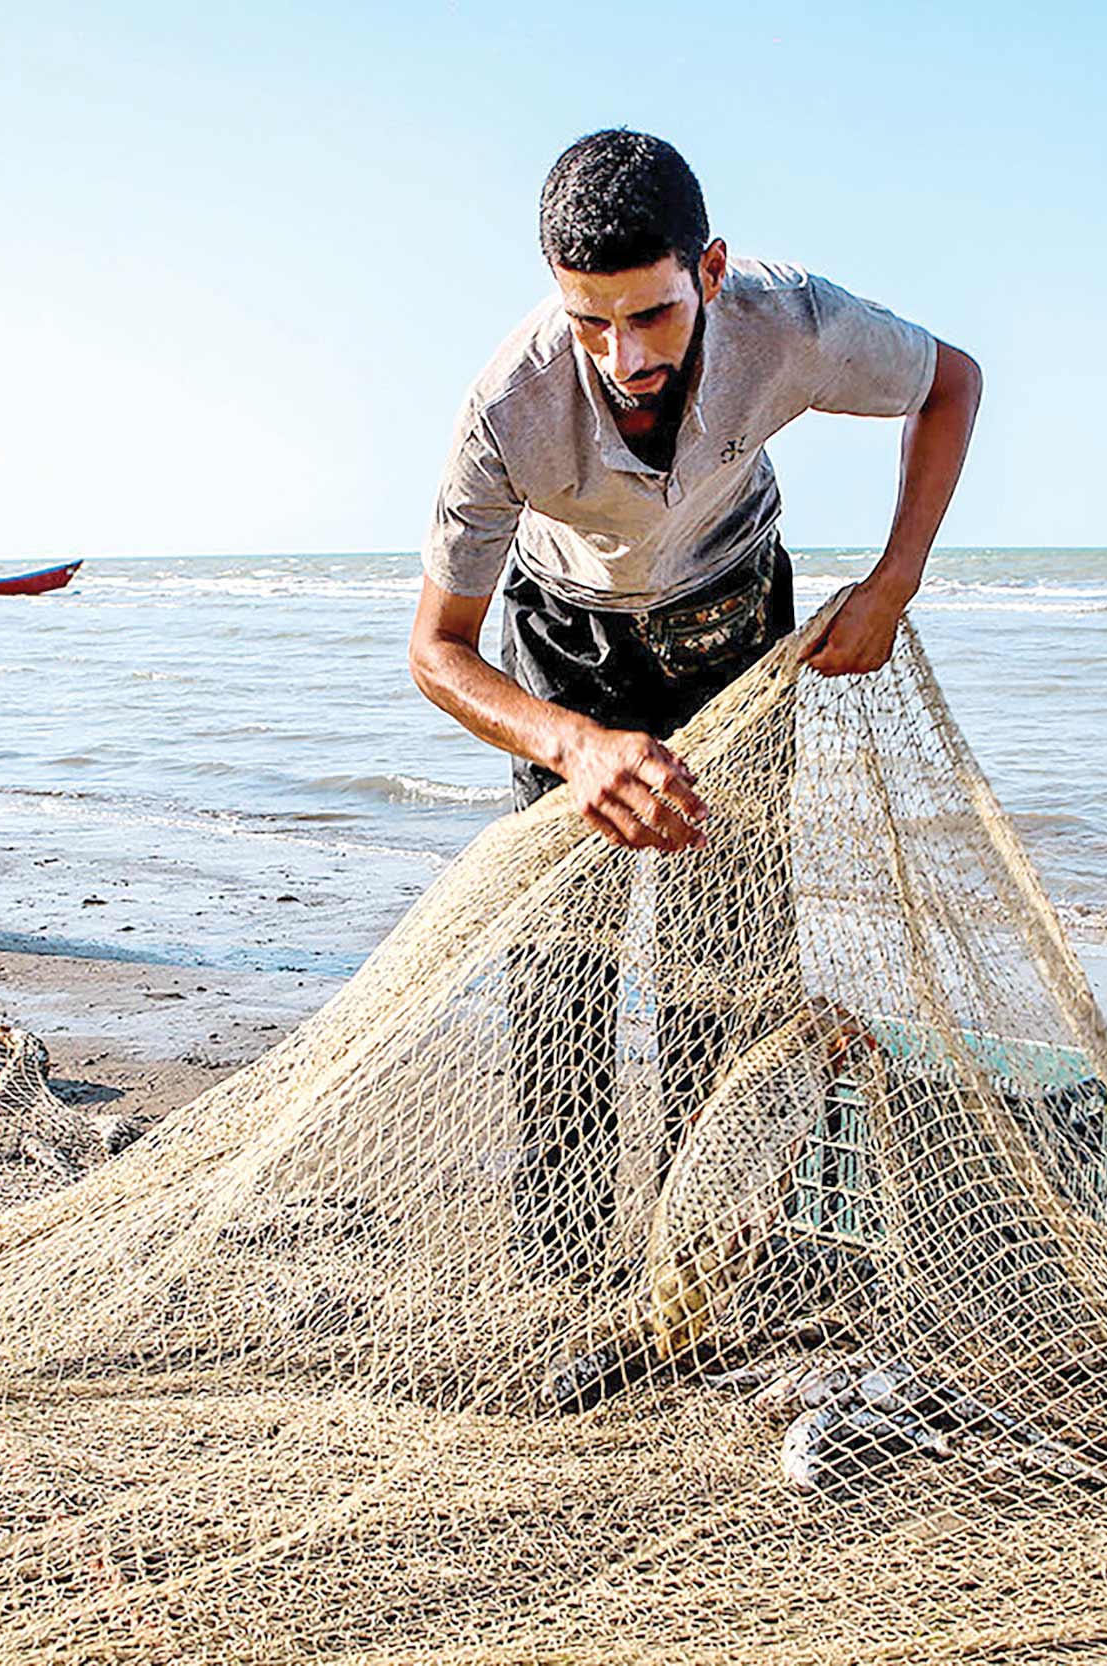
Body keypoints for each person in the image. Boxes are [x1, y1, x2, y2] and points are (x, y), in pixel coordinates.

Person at [409, 130, 980, 1274]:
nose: (621, 357)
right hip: (567, 646)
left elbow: (951, 382)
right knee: (562, 960)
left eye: (653, 315)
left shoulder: (792, 322)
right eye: (588, 323)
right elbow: (438, 651)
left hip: (731, 619)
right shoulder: (503, 413)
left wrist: (894, 580)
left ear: (708, 273)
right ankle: (566, 1268)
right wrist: (574, 748)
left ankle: (702, 1250)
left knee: (727, 947)